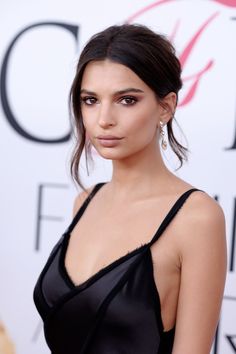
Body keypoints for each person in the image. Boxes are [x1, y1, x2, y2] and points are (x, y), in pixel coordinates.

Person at [33, 23, 227, 354]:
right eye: (91, 100)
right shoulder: (86, 201)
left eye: (126, 100)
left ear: (165, 107)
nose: (104, 119)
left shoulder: (197, 219)